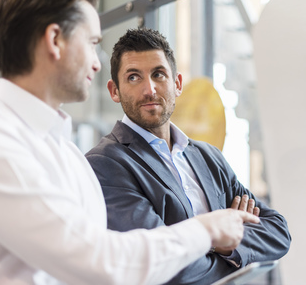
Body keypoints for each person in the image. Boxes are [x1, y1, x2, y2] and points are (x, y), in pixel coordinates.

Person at [0, 0, 260, 285]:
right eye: (92, 42)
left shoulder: (66, 153)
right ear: (55, 40)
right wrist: (208, 230)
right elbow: (103, 264)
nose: (97, 60)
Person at [85, 28, 292, 285]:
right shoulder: (104, 163)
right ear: (114, 90)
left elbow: (279, 231)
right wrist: (223, 243)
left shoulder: (208, 157)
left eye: (158, 74)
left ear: (177, 83)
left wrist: (227, 247)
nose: (149, 89)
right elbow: (166, 268)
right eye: (134, 77)